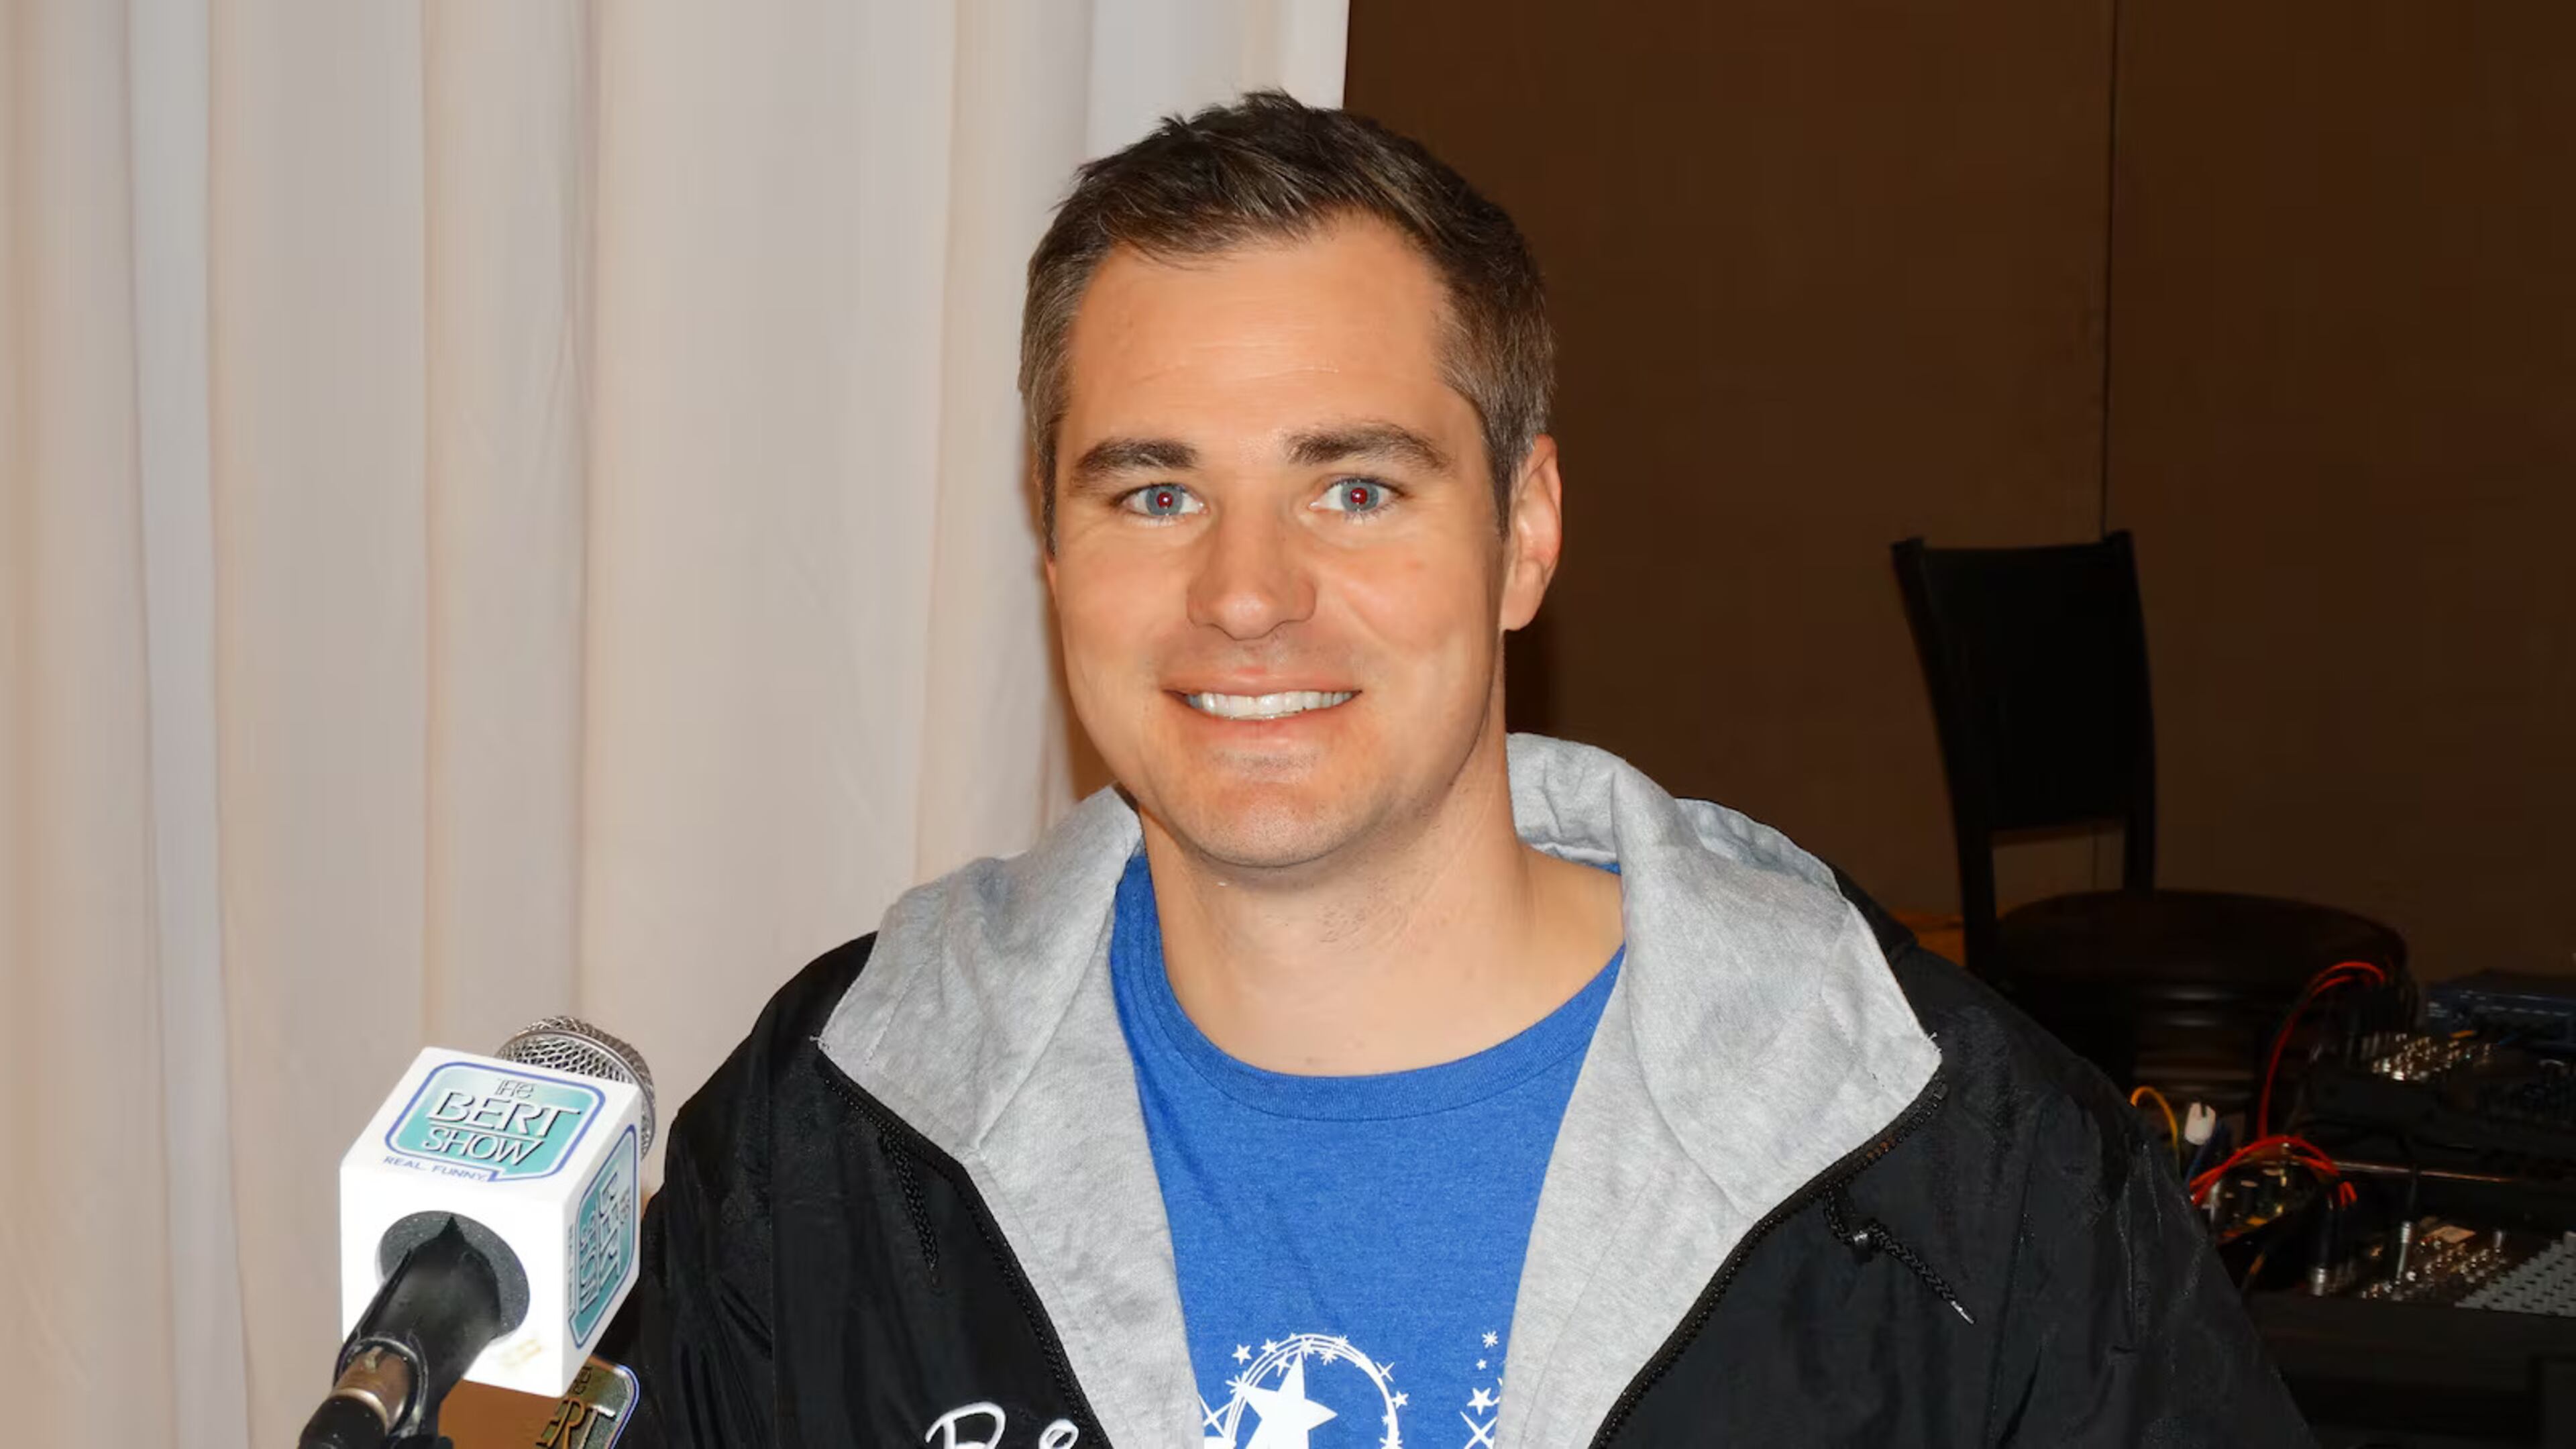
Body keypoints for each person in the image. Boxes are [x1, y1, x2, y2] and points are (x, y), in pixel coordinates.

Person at [616, 92, 2309, 1447]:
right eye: (1156, 493)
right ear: (1054, 554)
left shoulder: (1964, 1172)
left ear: (1526, 531)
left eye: (1355, 488)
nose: (1247, 593)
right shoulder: (830, 1135)